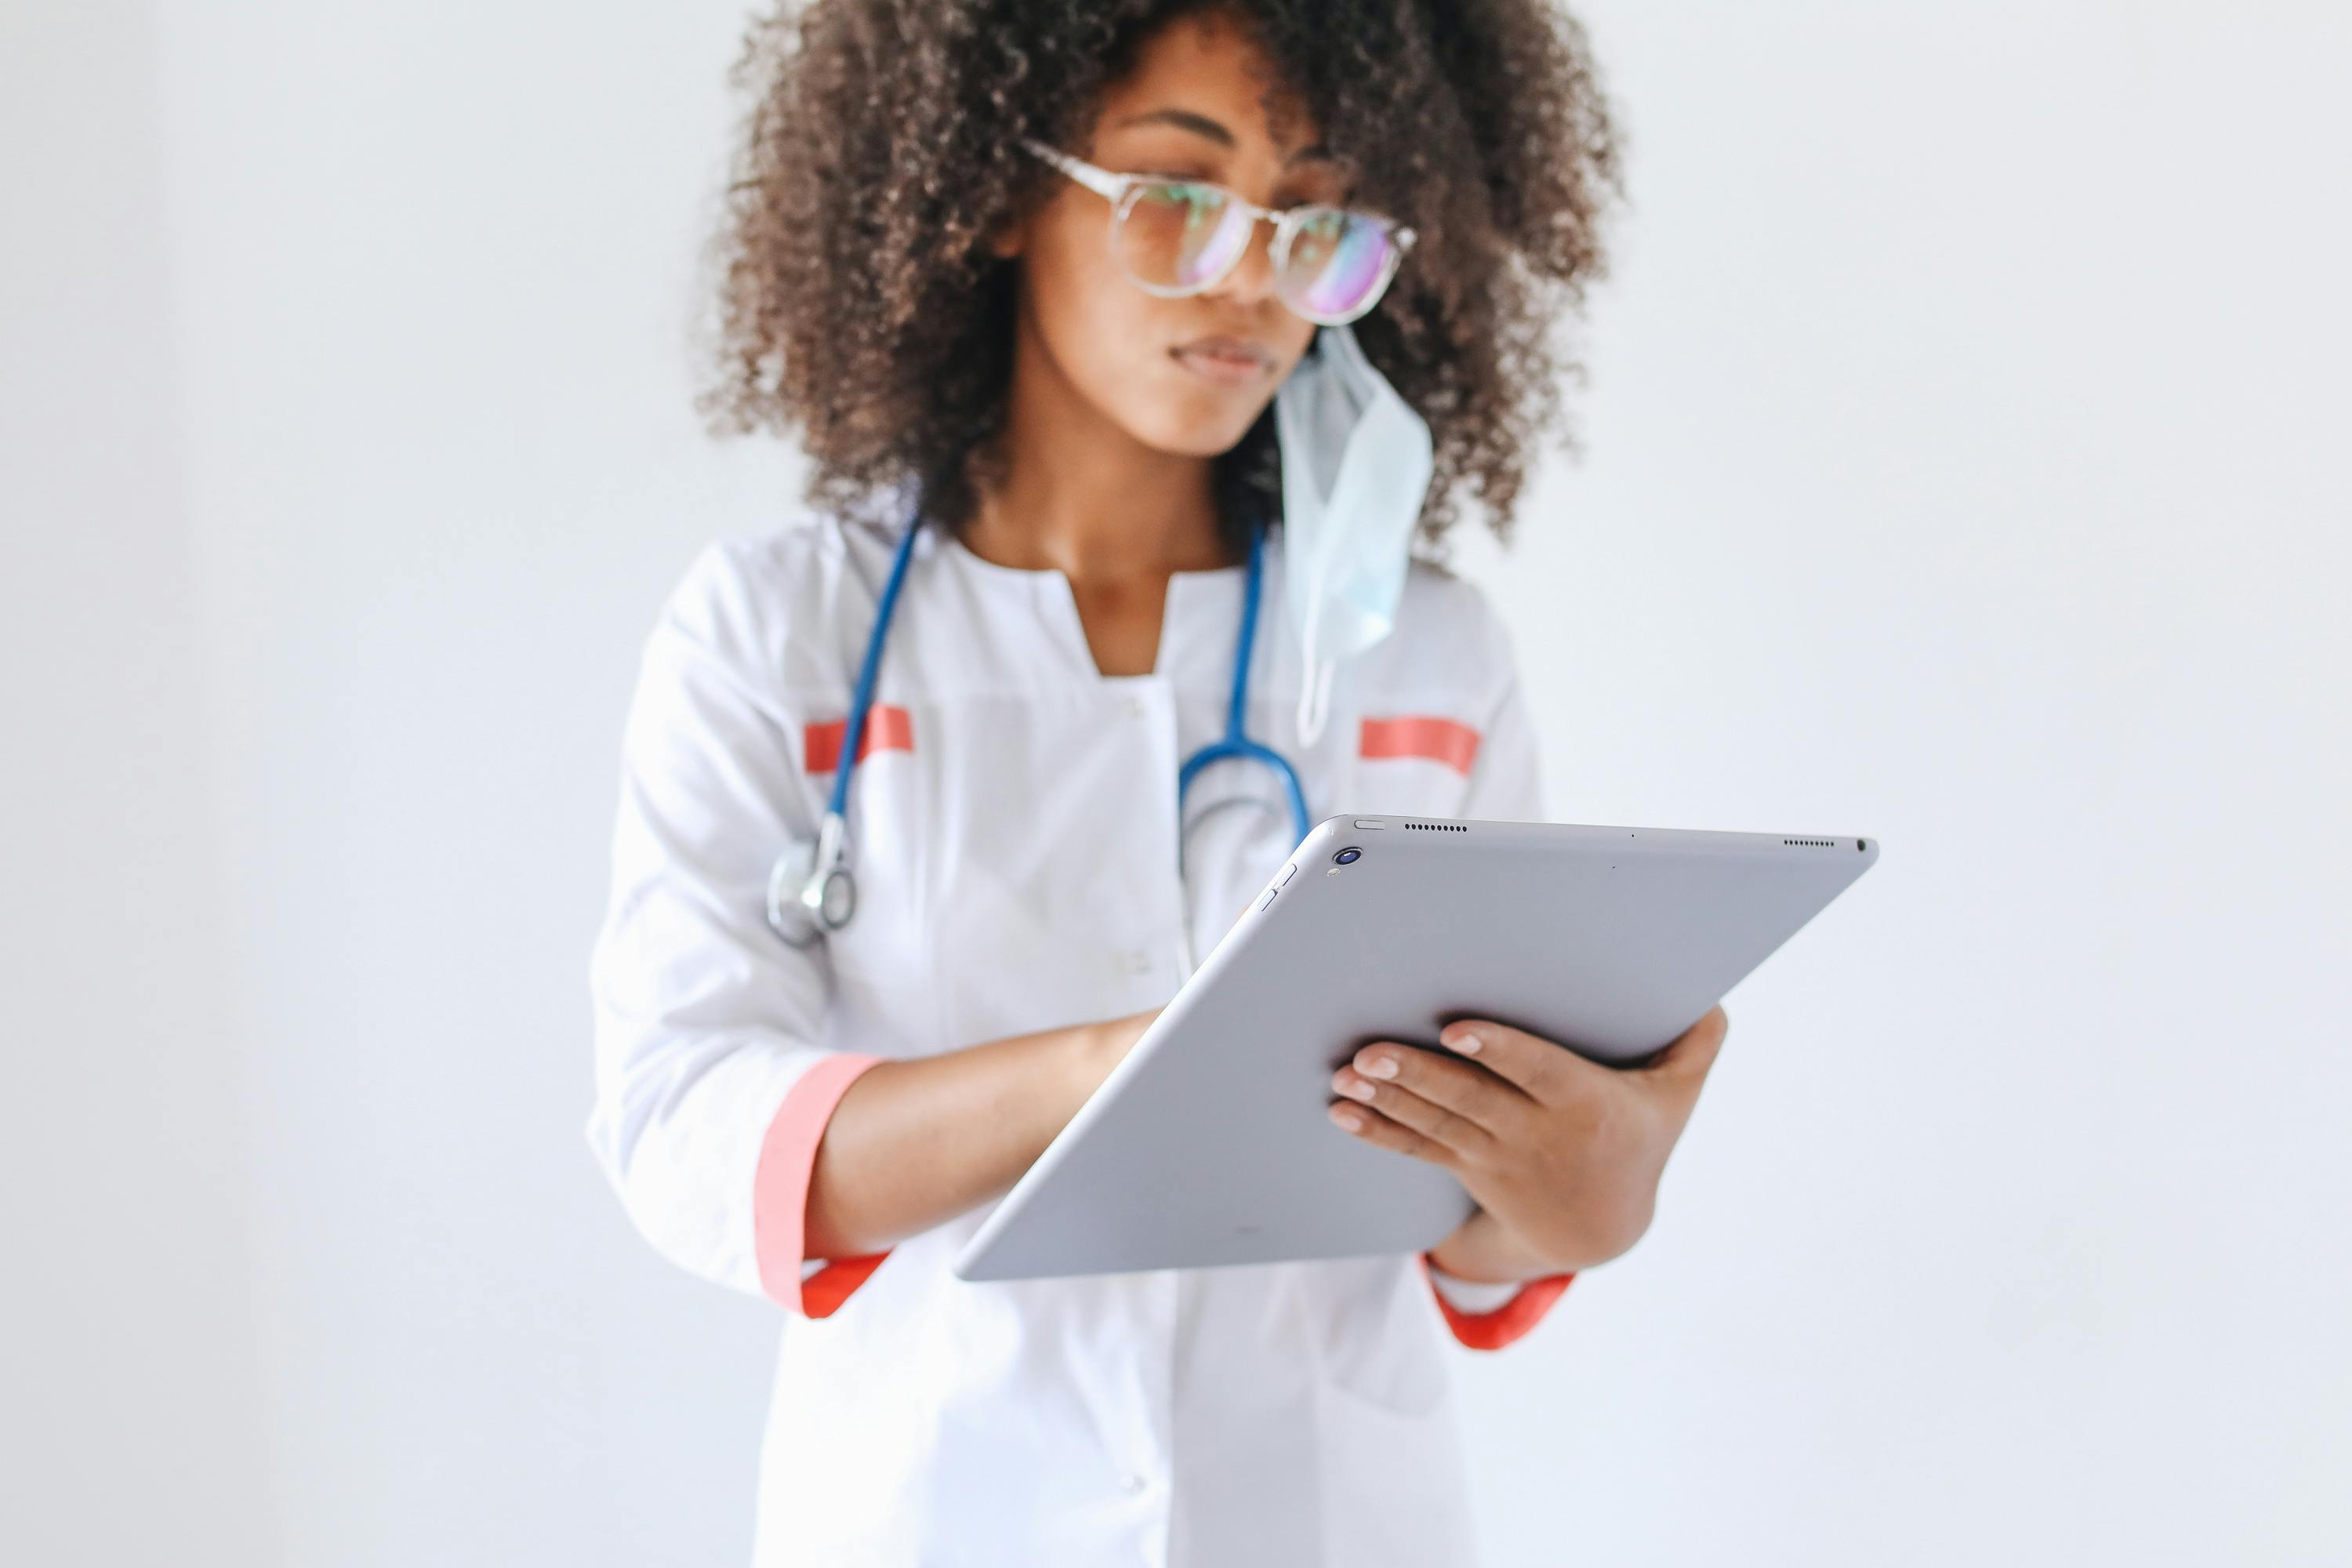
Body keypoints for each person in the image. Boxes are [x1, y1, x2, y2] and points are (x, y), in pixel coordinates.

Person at [587, 2, 1727, 1561]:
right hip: (937, 1515)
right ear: (992, 185)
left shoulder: (1424, 662)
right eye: (1178, 197)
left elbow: (1476, 1203)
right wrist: (1132, 1068)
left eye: (1311, 217)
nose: (1255, 276)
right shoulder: (777, 636)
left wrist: (1576, 1201)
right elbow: (683, 1129)